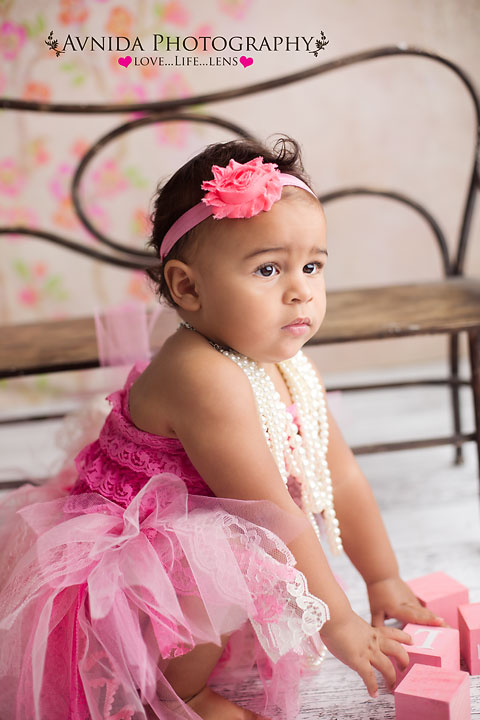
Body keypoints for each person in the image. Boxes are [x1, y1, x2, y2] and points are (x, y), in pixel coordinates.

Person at [0, 136, 446, 720]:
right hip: (136, 564)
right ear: (187, 287)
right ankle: (176, 693)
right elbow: (271, 512)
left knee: (237, 553)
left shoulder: (287, 366)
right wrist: (337, 620)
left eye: (312, 266)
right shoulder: (200, 374)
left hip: (211, 523)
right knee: (225, 556)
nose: (300, 289)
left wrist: (382, 577)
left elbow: (344, 477)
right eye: (268, 268)